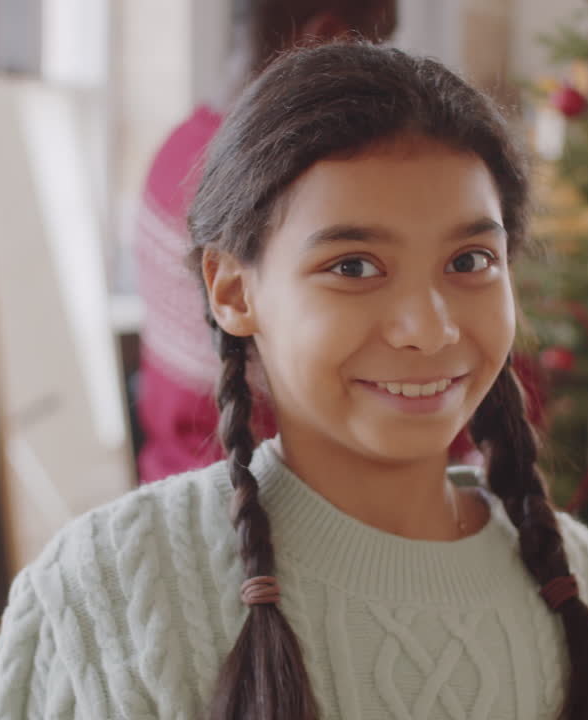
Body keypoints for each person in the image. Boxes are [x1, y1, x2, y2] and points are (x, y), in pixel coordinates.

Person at [0, 43, 588, 719]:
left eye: (470, 262)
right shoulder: (108, 593)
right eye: (353, 267)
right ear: (233, 291)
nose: (429, 328)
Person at [134, 0, 398, 483]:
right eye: (377, 52)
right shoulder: (281, 184)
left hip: (177, 482)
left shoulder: (177, 150)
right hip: (261, 509)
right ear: (328, 40)